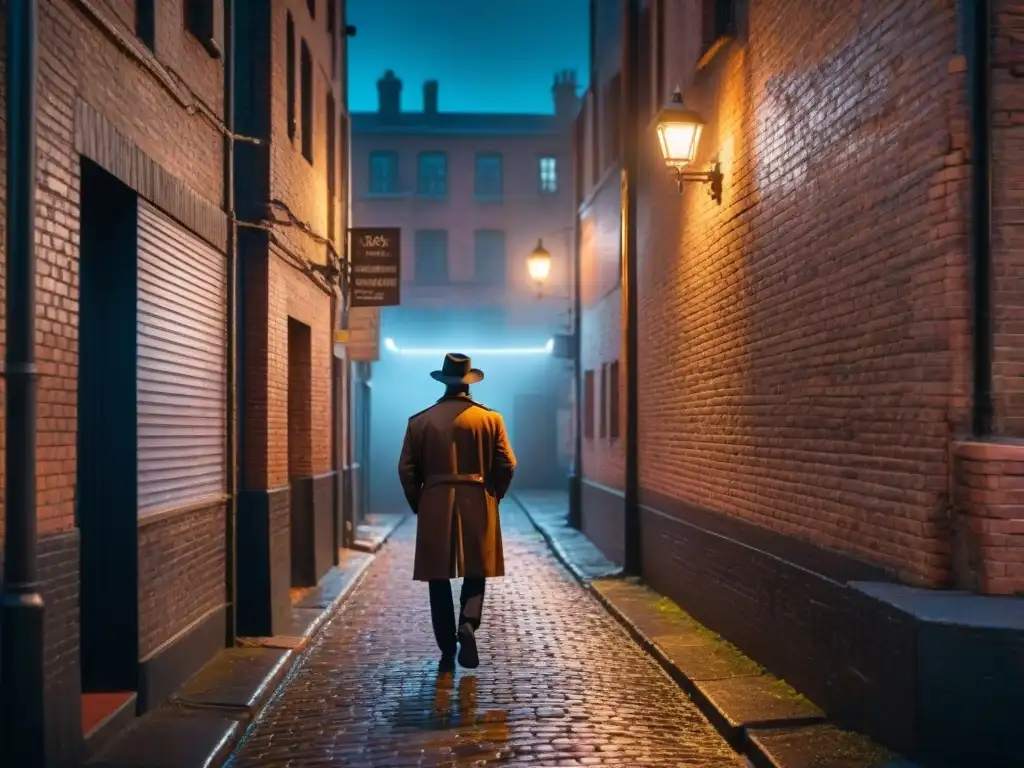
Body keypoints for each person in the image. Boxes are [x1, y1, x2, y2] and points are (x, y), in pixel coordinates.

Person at [398, 352, 517, 670]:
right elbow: (507, 463)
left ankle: (447, 645)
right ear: (469, 385)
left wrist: (419, 503)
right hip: (477, 496)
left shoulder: (419, 421)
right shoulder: (491, 419)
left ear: (444, 382)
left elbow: (406, 470)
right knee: (476, 569)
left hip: (435, 498)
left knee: (437, 576)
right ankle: (468, 622)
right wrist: (495, 495)